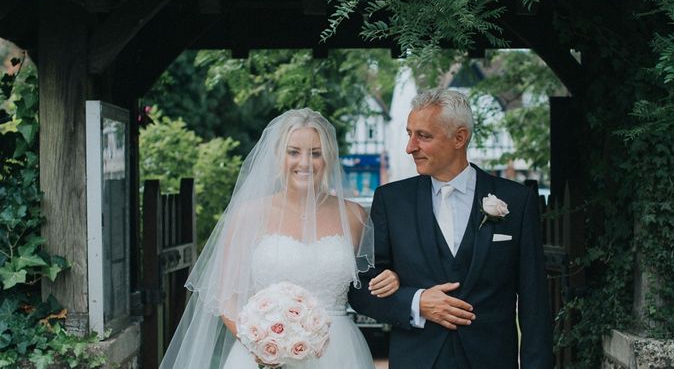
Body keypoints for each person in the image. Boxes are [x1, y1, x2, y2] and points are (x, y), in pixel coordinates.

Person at [160, 108, 399, 369]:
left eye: (315, 153)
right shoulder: (248, 215)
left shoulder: (354, 215)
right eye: (293, 152)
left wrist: (393, 277)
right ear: (277, 156)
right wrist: (261, 344)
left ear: (328, 158)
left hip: (339, 353)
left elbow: (371, 281)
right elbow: (226, 295)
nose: (305, 163)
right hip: (263, 355)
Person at [349, 88, 553, 369]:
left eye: (423, 136)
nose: (410, 147)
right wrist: (416, 302)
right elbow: (360, 290)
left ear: (460, 137)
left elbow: (535, 304)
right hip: (418, 360)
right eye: (409, 134)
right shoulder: (391, 200)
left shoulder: (517, 200)